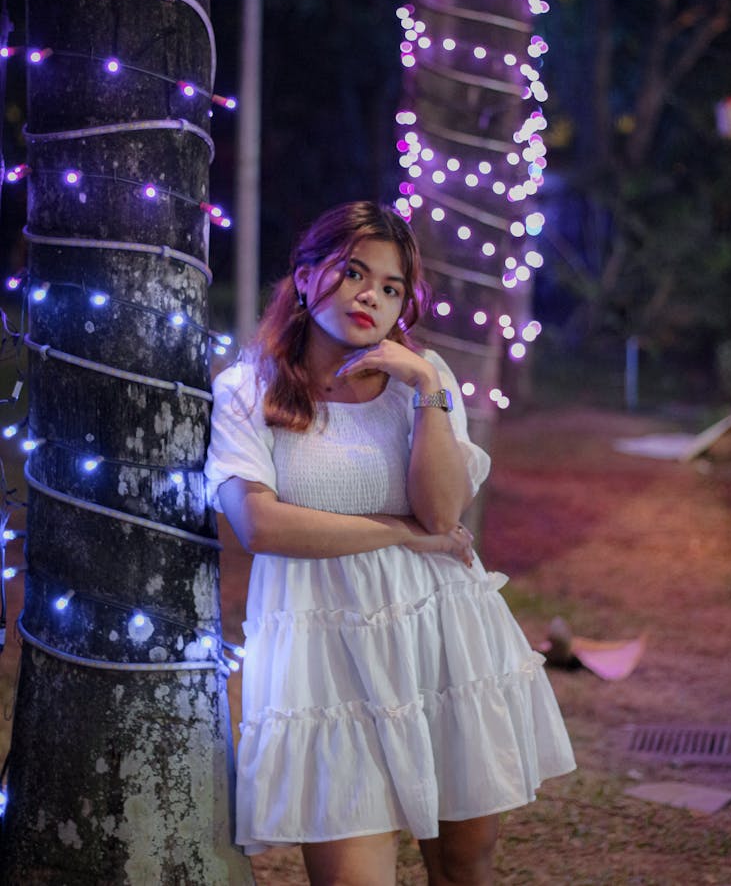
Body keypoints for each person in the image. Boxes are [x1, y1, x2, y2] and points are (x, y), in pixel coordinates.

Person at [205, 201, 575, 886]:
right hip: (321, 657)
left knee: (463, 866)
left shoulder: (421, 376)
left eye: (391, 285)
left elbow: (440, 513)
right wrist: (397, 533)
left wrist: (429, 389)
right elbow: (260, 526)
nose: (371, 294)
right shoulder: (245, 389)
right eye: (352, 271)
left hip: (442, 637)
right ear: (306, 273)